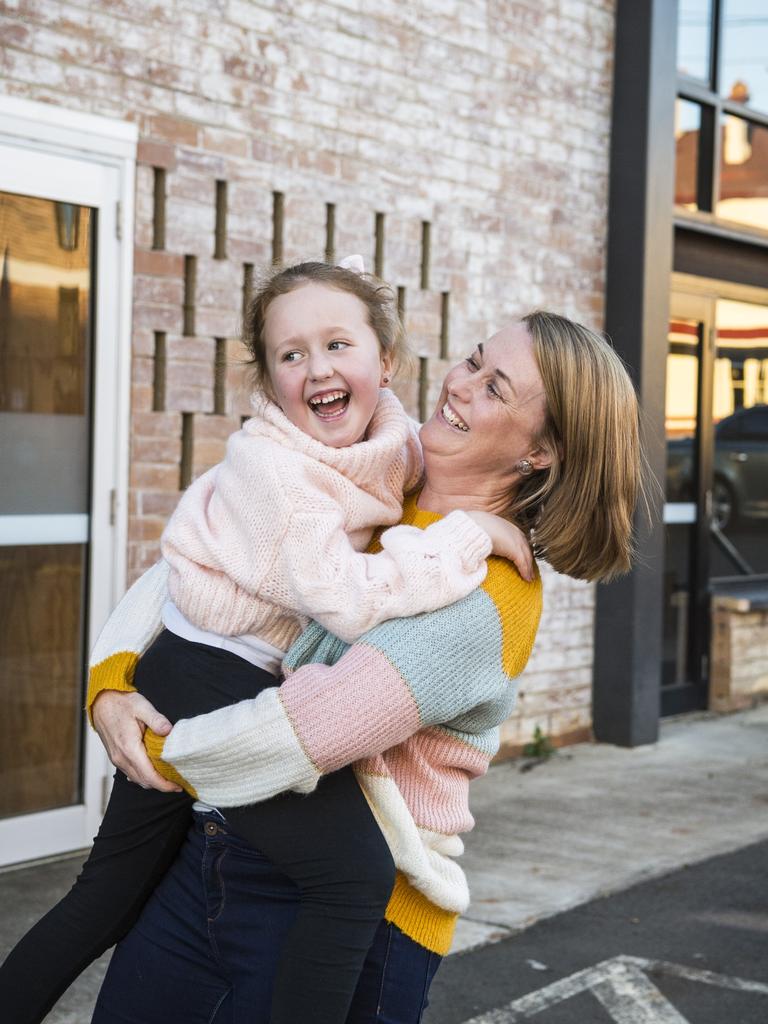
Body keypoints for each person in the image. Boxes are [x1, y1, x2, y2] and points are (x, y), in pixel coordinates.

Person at [0, 258, 532, 1024]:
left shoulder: (400, 446)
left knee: (110, 897)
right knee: (347, 876)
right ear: (268, 380)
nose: (317, 368)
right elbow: (341, 600)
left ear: (386, 361)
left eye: (338, 344)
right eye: (291, 354)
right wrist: (469, 534)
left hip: (233, 675)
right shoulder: (274, 472)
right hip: (209, 671)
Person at [84, 311, 646, 1023]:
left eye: (495, 387)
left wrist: (154, 746)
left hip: (360, 916)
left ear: (544, 452)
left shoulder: (492, 596)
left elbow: (307, 729)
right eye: (473, 359)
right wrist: (109, 684)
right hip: (217, 855)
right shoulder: (377, 474)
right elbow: (200, 564)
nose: (459, 385)